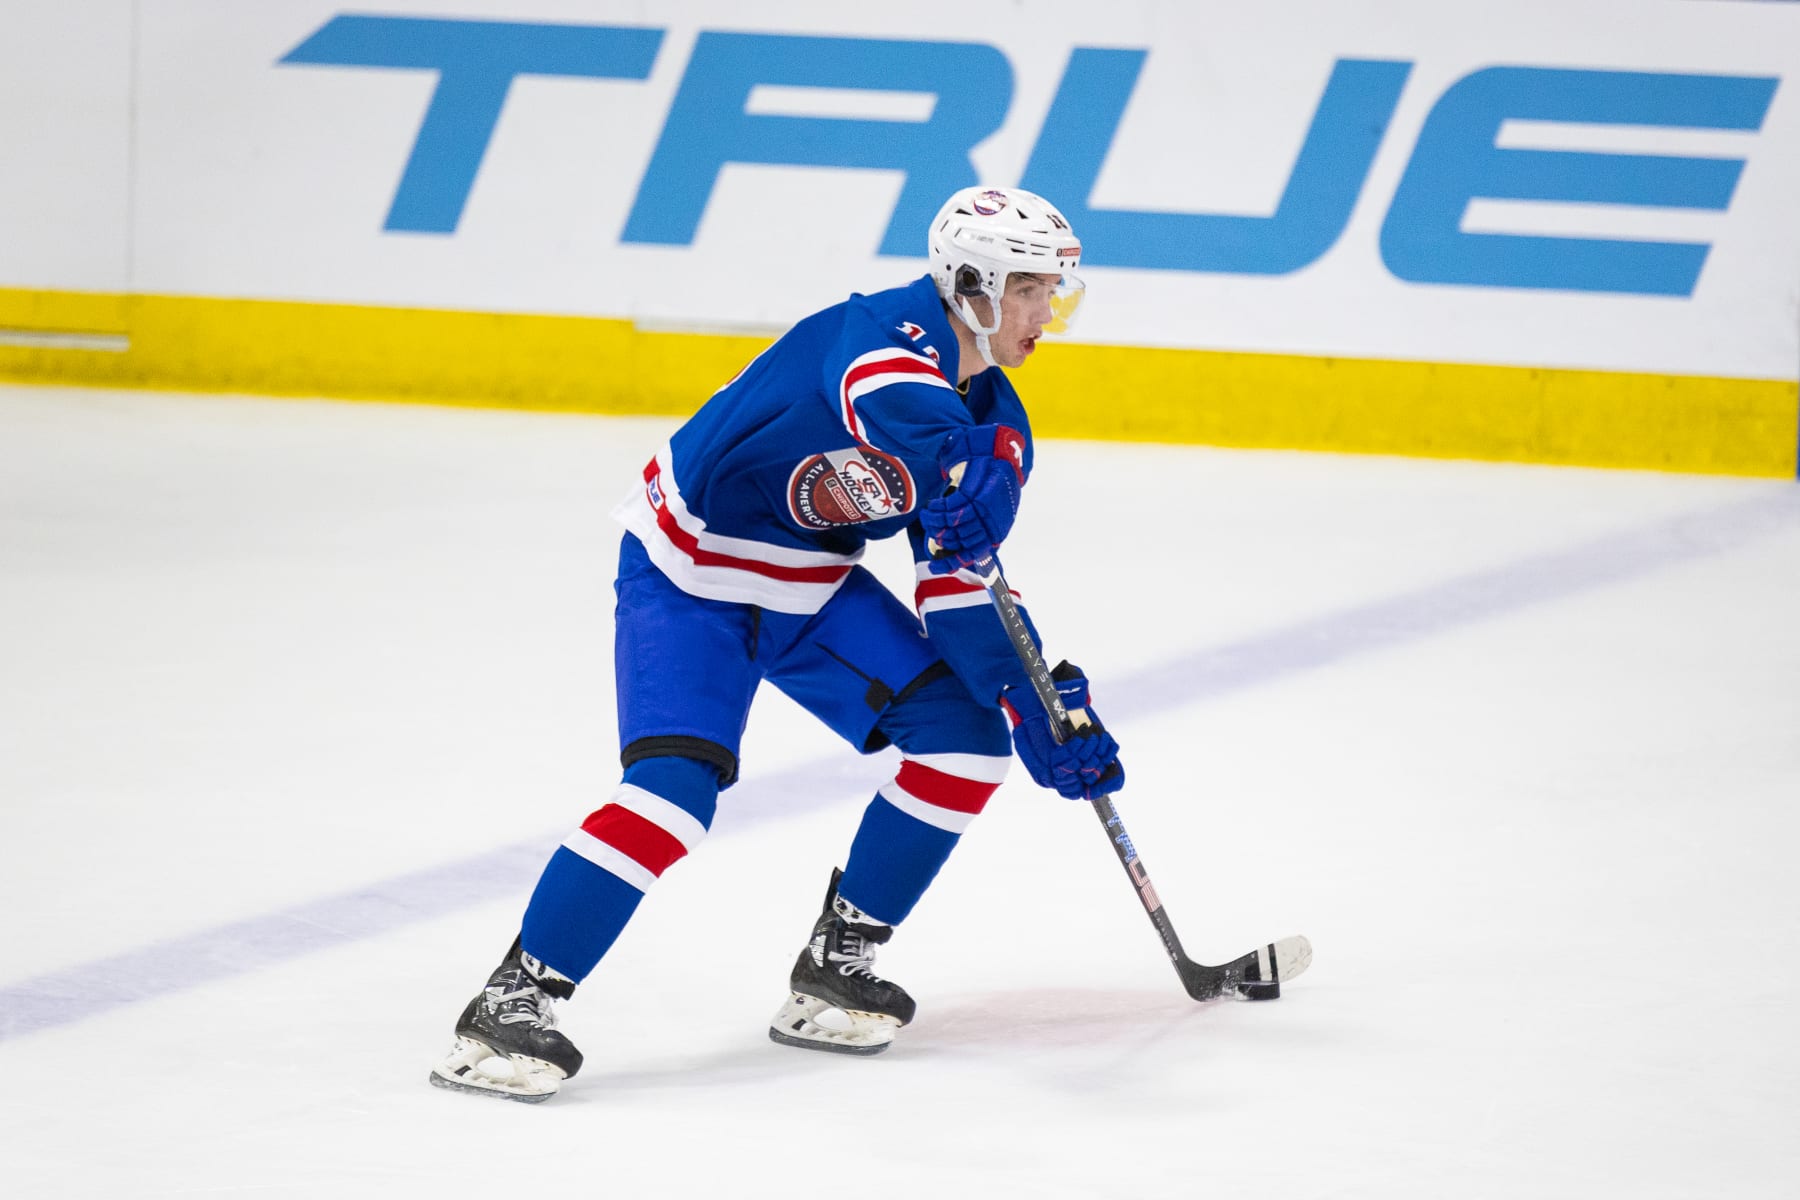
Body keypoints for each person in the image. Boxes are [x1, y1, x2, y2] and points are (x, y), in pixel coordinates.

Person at [429, 185, 1127, 1102]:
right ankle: (508, 1007)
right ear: (974, 285)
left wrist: (1031, 704)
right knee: (674, 793)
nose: (1049, 315)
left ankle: (839, 961)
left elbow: (959, 587)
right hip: (690, 583)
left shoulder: (990, 416)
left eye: (1055, 291)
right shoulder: (877, 351)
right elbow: (884, 397)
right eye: (1033, 289)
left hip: (808, 591)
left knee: (965, 743)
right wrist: (963, 468)